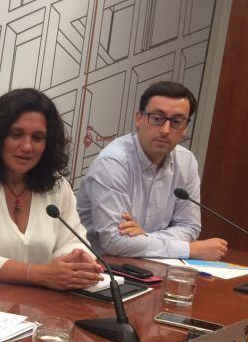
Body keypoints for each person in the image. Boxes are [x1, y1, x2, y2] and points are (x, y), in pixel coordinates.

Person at [0, 88, 102, 290]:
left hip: (45, 307)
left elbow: (72, 241)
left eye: (37, 137)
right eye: (16, 135)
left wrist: (79, 259)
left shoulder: (58, 186)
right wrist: (40, 274)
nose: (27, 147)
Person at [76, 80, 227, 259]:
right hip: (103, 268)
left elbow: (189, 227)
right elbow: (114, 242)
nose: (165, 130)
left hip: (153, 266)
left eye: (177, 121)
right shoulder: (113, 162)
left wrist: (145, 237)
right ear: (139, 119)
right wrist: (190, 249)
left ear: (185, 127)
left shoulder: (186, 162)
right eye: (157, 118)